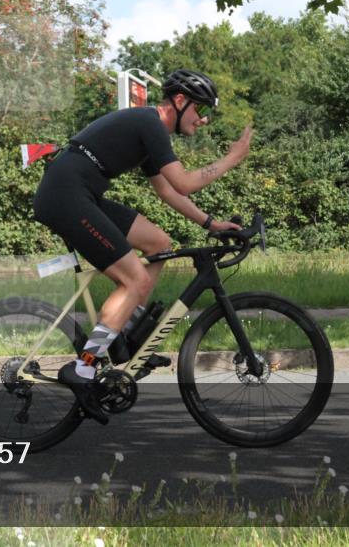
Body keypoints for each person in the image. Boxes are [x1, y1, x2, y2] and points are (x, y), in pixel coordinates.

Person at [33, 69, 252, 424]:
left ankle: (123, 336)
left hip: (79, 193)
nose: (203, 119)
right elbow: (184, 181)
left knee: (159, 243)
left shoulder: (151, 129)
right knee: (134, 280)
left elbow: (168, 190)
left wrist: (211, 224)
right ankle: (85, 366)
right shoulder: (150, 123)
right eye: (200, 110)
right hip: (66, 196)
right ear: (180, 102)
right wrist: (231, 159)